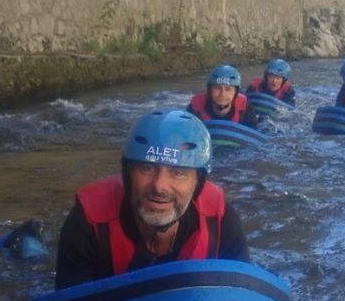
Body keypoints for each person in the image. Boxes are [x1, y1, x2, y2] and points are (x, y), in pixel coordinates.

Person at [54, 110, 249, 290]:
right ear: (128, 174)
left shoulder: (221, 220)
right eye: (146, 168)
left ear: (198, 183)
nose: (159, 186)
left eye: (178, 172)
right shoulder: (87, 222)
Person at [187, 64, 256, 126]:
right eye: (217, 88)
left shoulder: (245, 109)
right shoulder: (195, 108)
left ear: (235, 93)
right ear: (209, 90)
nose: (222, 94)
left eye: (228, 89)